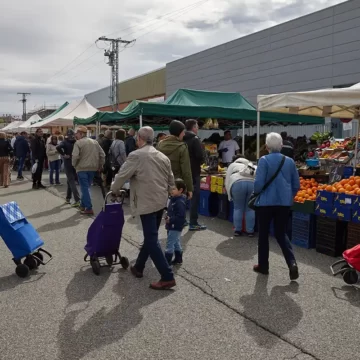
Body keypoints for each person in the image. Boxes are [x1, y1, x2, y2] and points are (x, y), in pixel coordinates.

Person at [111, 126, 176, 290]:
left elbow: (122, 174)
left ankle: (167, 276)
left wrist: (114, 190)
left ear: (139, 138)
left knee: (151, 239)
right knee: (151, 237)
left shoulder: (136, 155)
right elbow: (171, 179)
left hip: (146, 201)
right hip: (160, 200)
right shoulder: (162, 156)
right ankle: (138, 266)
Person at [253, 132, 300, 280]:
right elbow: (296, 185)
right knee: (281, 233)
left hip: (266, 203)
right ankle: (292, 263)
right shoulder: (290, 161)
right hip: (284, 203)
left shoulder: (264, 160)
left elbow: (258, 184)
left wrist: (256, 193)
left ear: (266, 147)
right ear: (281, 146)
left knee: (263, 235)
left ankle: (263, 266)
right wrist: (289, 196)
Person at [72, 125, 105, 215]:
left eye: (77, 134)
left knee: (84, 188)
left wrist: (74, 165)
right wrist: (100, 165)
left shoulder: (78, 143)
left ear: (81, 134)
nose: (76, 135)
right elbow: (102, 155)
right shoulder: (95, 142)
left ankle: (89, 207)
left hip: (82, 168)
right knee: (86, 187)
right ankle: (83, 205)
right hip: (93, 168)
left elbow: (75, 156)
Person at [157, 120, 193, 199]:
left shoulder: (160, 144)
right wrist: (189, 189)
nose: (184, 134)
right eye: (183, 132)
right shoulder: (182, 147)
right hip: (176, 185)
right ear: (179, 132)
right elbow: (186, 171)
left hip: (160, 183)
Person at [183, 119, 206, 231]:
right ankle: (193, 222)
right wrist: (202, 161)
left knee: (183, 195)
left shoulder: (181, 138)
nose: (198, 129)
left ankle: (182, 220)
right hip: (194, 171)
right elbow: (199, 156)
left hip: (183, 171)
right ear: (193, 127)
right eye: (197, 127)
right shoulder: (195, 139)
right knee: (194, 197)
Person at [225, 155, 256, 237]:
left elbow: (227, 180)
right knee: (250, 209)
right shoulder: (251, 165)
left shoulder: (232, 165)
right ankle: (250, 231)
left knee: (238, 208)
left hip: (237, 183)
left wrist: (229, 195)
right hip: (252, 184)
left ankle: (238, 230)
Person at [164, 178, 187, 266]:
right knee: (176, 241)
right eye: (171, 188)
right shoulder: (174, 199)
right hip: (172, 224)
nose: (171, 190)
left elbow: (181, 216)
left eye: (174, 189)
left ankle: (167, 262)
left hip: (175, 225)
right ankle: (178, 258)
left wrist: (171, 219)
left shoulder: (179, 201)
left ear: (180, 190)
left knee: (170, 242)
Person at [56, 129, 80, 207]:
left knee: (71, 180)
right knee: (70, 180)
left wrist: (63, 155)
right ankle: (68, 198)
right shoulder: (76, 142)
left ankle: (77, 200)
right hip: (75, 162)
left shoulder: (66, 142)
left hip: (68, 162)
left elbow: (58, 147)